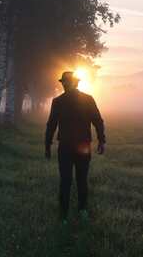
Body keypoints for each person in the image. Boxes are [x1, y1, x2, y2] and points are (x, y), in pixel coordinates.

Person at [45, 71, 106, 223]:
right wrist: (101, 141)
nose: (64, 85)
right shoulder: (87, 99)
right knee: (81, 179)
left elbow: (51, 125)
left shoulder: (58, 101)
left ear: (68, 83)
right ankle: (82, 210)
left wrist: (47, 145)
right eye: (64, 83)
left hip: (65, 147)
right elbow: (98, 121)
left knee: (66, 180)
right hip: (82, 146)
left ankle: (64, 215)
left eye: (65, 82)